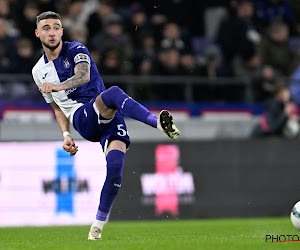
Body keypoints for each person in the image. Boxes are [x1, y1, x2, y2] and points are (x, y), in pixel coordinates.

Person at [32, 11, 180, 240]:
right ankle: (156, 123)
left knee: (114, 168)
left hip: (106, 113)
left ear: (62, 31)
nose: (51, 32)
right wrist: (65, 134)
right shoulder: (38, 71)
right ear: (37, 33)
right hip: (83, 117)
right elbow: (57, 108)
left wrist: (57, 86)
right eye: (46, 28)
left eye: (56, 27)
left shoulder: (77, 50)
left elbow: (83, 76)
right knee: (113, 93)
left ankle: (97, 228)